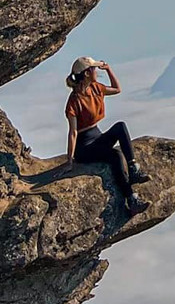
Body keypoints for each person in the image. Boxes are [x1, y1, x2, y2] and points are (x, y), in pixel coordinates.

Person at [64, 55, 150, 215]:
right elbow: (73, 132)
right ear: (87, 73)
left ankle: (133, 169)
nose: (97, 71)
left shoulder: (96, 88)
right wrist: (70, 161)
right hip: (84, 149)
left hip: (96, 138)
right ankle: (132, 199)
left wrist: (109, 70)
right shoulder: (74, 100)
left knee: (120, 127)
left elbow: (117, 89)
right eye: (94, 69)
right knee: (115, 155)